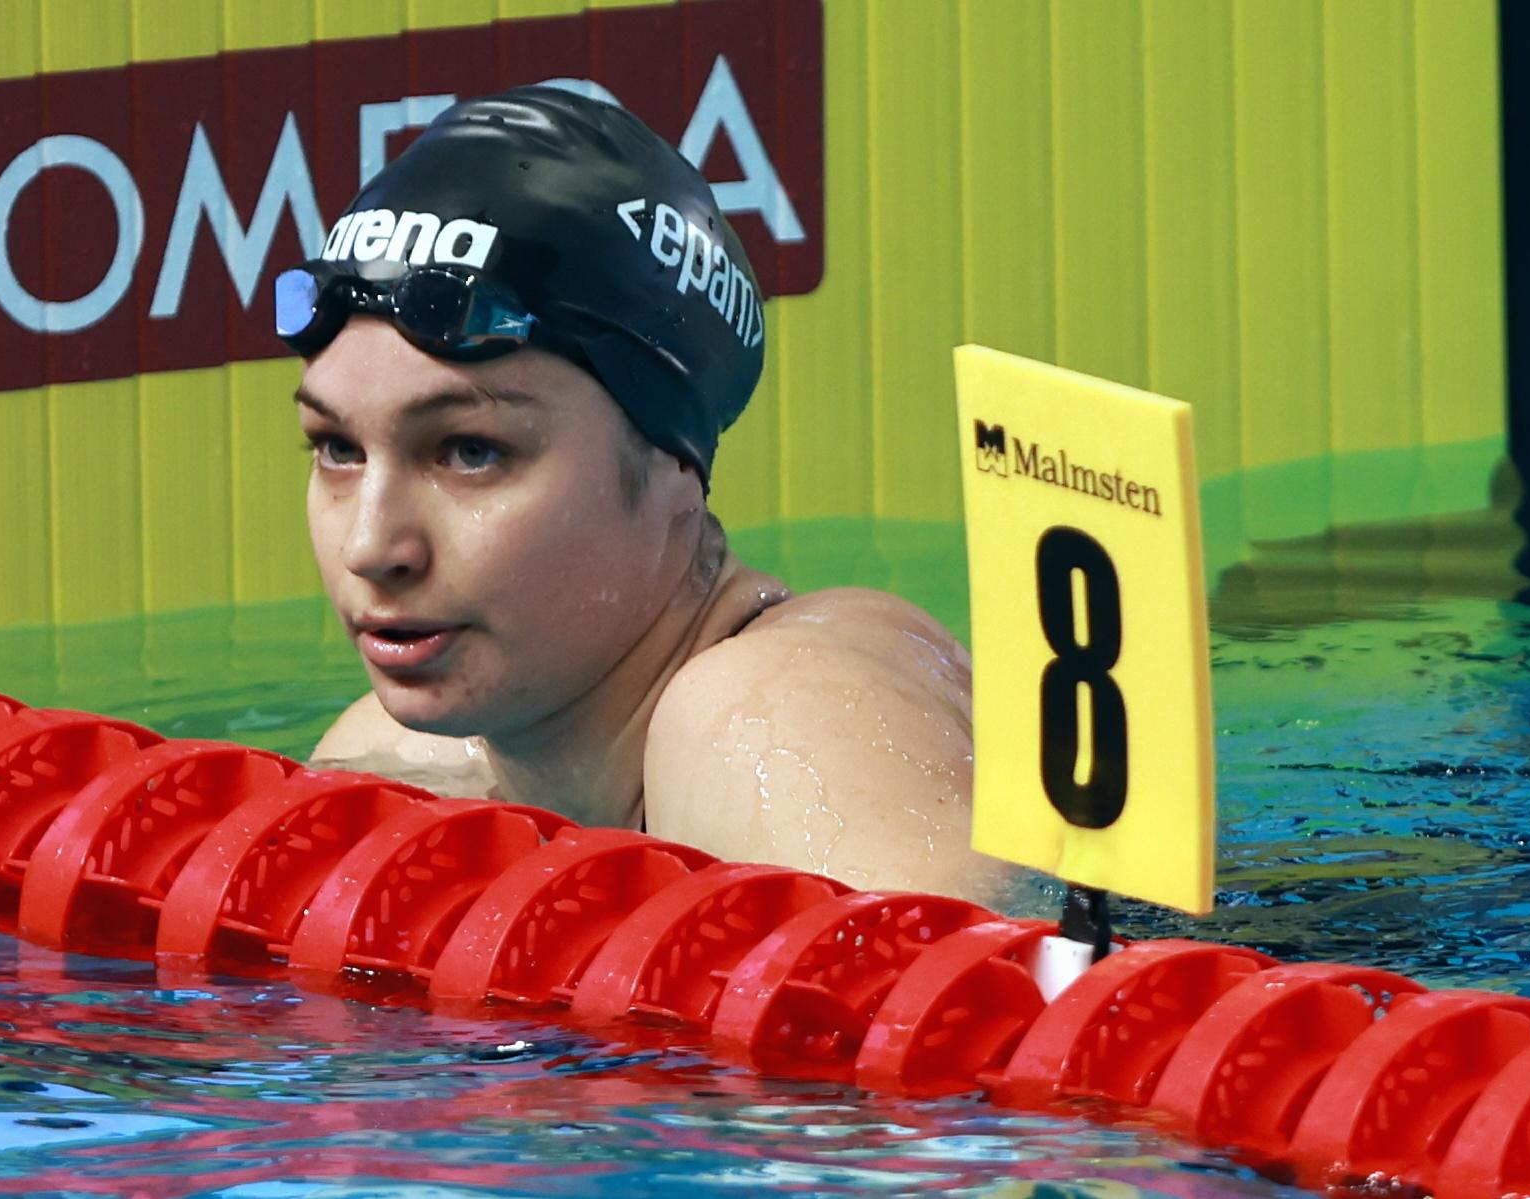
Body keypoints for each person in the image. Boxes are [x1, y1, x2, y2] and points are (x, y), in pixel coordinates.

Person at [274, 86, 1002, 903]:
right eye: (337, 448)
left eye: (470, 452)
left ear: (671, 467)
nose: (372, 546)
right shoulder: (403, 756)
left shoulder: (771, 712)